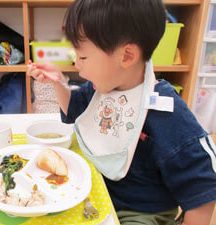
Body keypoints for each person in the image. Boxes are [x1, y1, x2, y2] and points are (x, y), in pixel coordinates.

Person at [27, 0, 216, 224]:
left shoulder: (164, 111)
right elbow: (74, 109)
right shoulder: (102, 88)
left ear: (126, 56)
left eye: (83, 57)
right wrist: (57, 81)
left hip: (138, 213)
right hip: (95, 190)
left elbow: (203, 184)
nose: (77, 64)